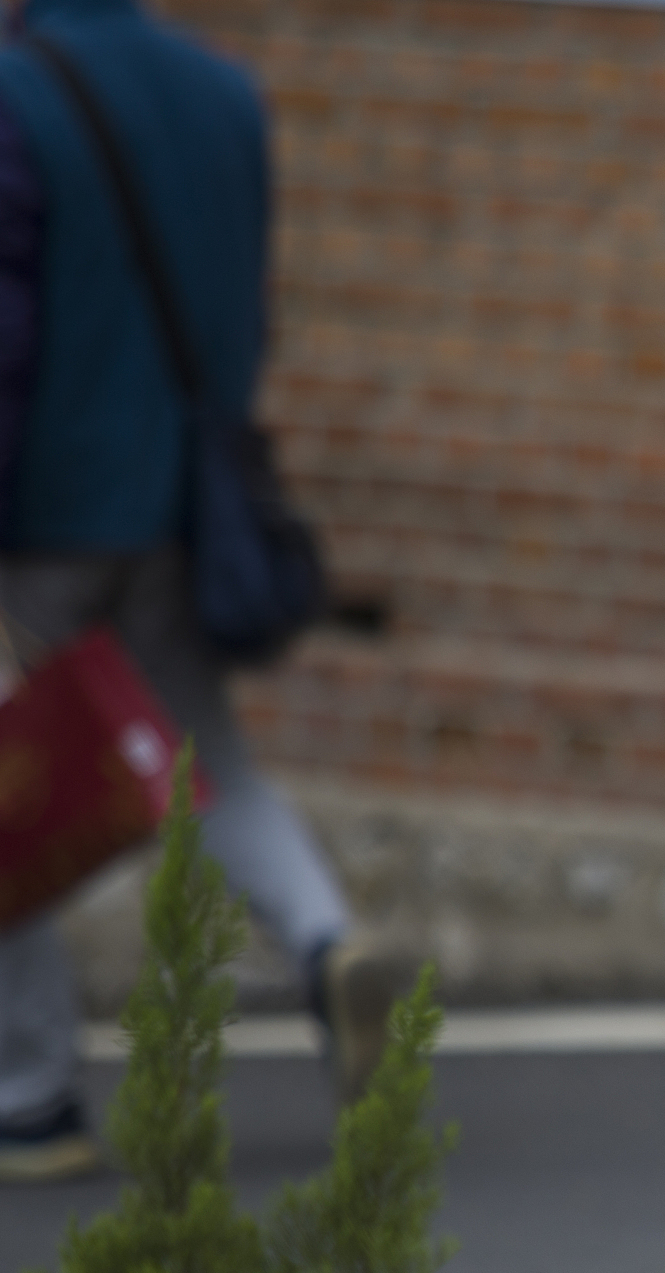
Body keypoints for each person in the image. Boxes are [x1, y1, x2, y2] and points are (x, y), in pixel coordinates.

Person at [0, 0, 392, 1183]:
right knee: (200, 749)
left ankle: (29, 1094)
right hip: (182, 502)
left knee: (18, 779)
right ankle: (327, 938)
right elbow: (240, 310)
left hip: (48, 506)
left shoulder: (16, 95)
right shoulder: (224, 95)